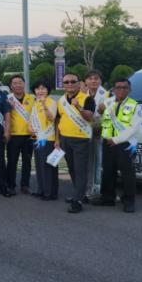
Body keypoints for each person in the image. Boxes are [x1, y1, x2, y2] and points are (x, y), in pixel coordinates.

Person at [92, 78, 142, 213]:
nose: (121, 90)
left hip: (125, 144)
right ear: (113, 90)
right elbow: (98, 117)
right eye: (118, 87)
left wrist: (117, 139)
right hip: (108, 142)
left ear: (129, 90)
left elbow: (134, 128)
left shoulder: (135, 105)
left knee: (127, 173)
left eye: (125, 87)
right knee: (108, 171)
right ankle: (108, 198)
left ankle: (129, 201)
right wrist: (99, 111)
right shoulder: (107, 102)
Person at [56, 73, 95, 213]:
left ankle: (78, 201)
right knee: (72, 168)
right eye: (66, 82)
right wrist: (57, 139)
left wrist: (79, 107)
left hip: (81, 139)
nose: (70, 84)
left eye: (73, 81)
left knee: (80, 170)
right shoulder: (61, 100)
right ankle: (79, 194)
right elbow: (58, 120)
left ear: (79, 84)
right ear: (63, 85)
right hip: (65, 139)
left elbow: (89, 117)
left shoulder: (87, 98)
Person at [6, 75, 36, 196]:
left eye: (20, 82)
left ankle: (25, 185)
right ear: (11, 86)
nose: (17, 85)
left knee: (27, 161)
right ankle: (11, 185)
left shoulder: (32, 98)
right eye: (15, 83)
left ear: (24, 84)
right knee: (12, 161)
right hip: (13, 135)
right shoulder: (7, 98)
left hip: (28, 135)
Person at [29, 80, 58, 201]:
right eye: (38, 89)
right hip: (37, 139)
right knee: (39, 165)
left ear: (47, 90)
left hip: (48, 138)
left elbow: (51, 118)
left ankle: (49, 192)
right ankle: (41, 190)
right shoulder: (35, 103)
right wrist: (30, 127)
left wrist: (44, 105)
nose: (40, 91)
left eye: (43, 88)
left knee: (48, 166)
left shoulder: (52, 102)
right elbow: (32, 119)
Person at [83, 70, 109, 198]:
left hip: (101, 133)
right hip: (86, 133)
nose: (93, 81)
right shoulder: (83, 95)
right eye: (90, 78)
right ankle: (88, 189)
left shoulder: (108, 95)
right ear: (85, 81)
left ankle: (98, 189)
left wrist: (103, 113)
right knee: (88, 161)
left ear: (100, 81)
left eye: (96, 78)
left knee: (100, 161)